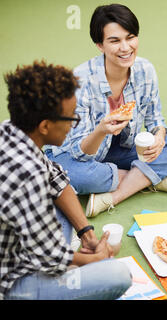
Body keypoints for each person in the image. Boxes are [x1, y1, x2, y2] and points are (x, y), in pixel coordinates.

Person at [45, 4, 167, 217]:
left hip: (121, 148)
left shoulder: (145, 70)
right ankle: (147, 178)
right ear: (99, 45)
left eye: (130, 37)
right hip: (74, 153)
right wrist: (101, 130)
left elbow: (155, 118)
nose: (125, 47)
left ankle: (111, 197)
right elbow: (79, 151)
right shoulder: (79, 81)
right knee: (74, 175)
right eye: (115, 41)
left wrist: (159, 136)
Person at [0, 61, 132, 300]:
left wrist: (87, 233)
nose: (74, 124)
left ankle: (71, 263)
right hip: (11, 282)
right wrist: (93, 259)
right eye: (71, 118)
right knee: (118, 274)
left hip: (18, 244)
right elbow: (49, 257)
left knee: (62, 194)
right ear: (45, 126)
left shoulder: (10, 129)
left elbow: (59, 181)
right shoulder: (27, 174)